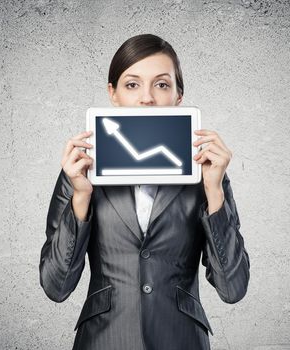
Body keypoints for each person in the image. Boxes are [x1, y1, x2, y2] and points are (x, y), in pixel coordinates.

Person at [39, 33, 250, 350]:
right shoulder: (80, 169)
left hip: (181, 340)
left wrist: (214, 192)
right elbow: (56, 286)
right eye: (132, 84)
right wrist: (81, 198)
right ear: (113, 94)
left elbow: (232, 289)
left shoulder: (206, 173)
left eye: (162, 84)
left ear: (179, 96)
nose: (147, 98)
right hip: (105, 339)